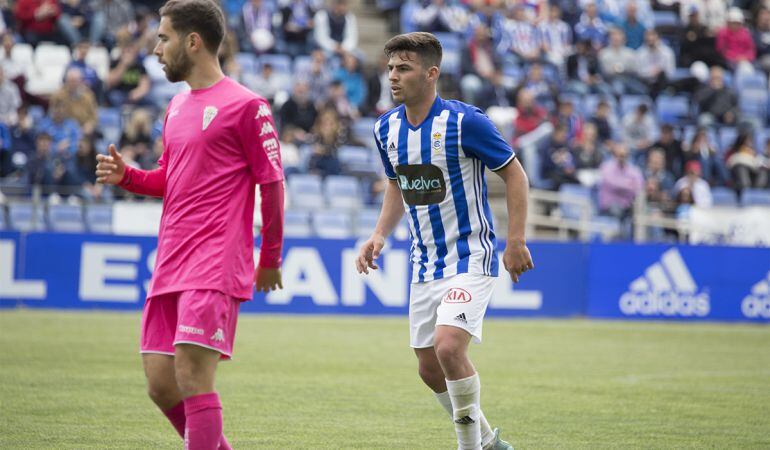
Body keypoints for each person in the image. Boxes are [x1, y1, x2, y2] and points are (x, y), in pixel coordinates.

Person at [94, 1, 285, 448]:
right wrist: (128, 177)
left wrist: (270, 257)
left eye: (164, 38)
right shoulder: (177, 106)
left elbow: (272, 184)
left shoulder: (248, 105)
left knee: (193, 377)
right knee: (161, 383)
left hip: (214, 262)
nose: (156, 49)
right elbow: (170, 178)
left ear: (193, 41)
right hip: (171, 262)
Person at [356, 32, 532, 450]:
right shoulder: (386, 128)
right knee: (429, 368)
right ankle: (488, 442)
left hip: (471, 254)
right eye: (391, 68)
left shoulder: (465, 122)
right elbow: (397, 183)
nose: (393, 76)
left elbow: (515, 174)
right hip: (425, 263)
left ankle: (469, 447)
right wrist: (379, 233)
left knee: (449, 347)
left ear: (431, 74)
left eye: (404, 68)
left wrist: (516, 240)